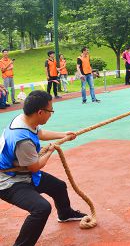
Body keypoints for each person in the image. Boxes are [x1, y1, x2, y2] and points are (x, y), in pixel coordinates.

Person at [0, 90, 87, 246]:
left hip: (21, 172)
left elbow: (39, 133)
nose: (51, 114)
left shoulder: (24, 119)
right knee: (41, 208)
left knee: (59, 186)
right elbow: (35, 167)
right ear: (40, 112)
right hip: (9, 182)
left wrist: (62, 135)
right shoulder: (22, 140)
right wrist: (50, 150)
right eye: (50, 111)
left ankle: (65, 214)